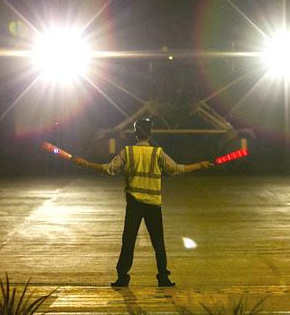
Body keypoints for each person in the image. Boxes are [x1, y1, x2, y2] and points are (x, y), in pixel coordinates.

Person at [69, 117, 214, 287]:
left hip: (134, 204)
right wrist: (199, 165)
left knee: (128, 240)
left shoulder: (128, 152)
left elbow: (109, 169)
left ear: (135, 133)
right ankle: (163, 277)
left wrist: (85, 164)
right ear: (150, 133)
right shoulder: (158, 153)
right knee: (158, 242)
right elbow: (176, 169)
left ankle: (123, 277)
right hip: (153, 204)